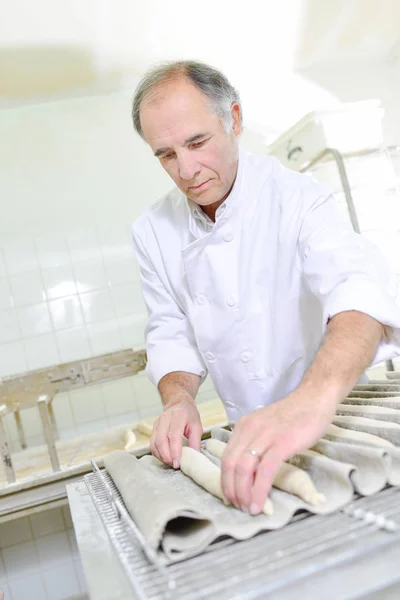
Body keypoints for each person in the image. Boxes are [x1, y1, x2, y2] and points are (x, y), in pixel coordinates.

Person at [131, 60, 400, 516]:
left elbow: (359, 292)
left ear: (233, 119)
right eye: (166, 154)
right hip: (248, 436)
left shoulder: (297, 198)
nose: (187, 169)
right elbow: (171, 329)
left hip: (334, 419)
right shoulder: (153, 231)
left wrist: (308, 405)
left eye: (197, 142)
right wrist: (178, 400)